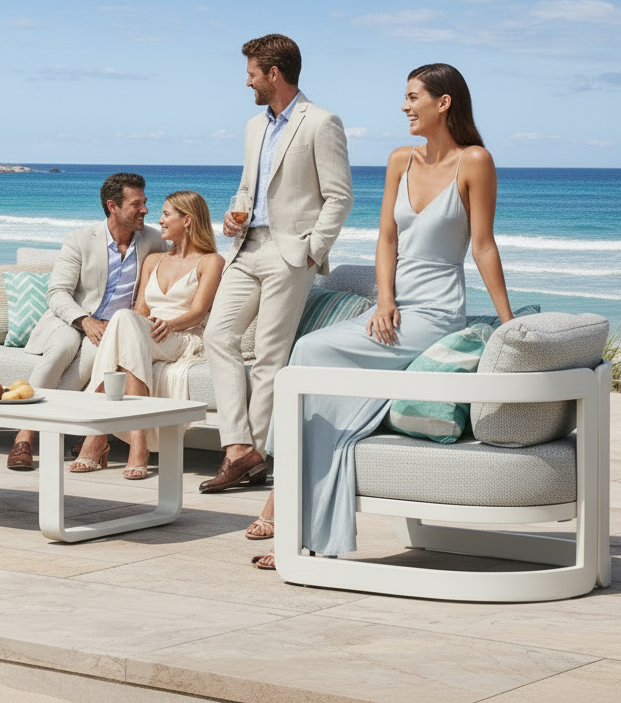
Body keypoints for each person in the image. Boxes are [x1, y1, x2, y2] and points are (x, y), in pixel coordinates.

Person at [250, 63, 513, 570]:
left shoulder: (475, 161)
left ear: (444, 103)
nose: (404, 106)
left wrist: (507, 324)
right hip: (391, 311)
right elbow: (387, 239)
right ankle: (292, 511)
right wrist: (385, 299)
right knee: (310, 367)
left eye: (413, 97)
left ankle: (280, 508)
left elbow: (482, 247)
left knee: (307, 353)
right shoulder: (400, 160)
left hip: (435, 314)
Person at [201, 34, 353, 493]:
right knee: (217, 334)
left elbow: (339, 196)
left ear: (273, 73)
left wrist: (312, 249)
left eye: (251, 73)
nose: (245, 81)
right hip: (247, 247)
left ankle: (251, 452)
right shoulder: (253, 126)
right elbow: (250, 187)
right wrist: (234, 211)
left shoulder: (321, 122)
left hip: (291, 253)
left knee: (270, 352)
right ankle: (239, 446)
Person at [5, 173, 167, 471]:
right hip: (68, 320)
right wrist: (84, 320)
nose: (145, 210)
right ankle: (24, 435)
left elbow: (170, 275)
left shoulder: (153, 240)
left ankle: (52, 430)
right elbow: (57, 293)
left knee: (89, 364)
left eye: (145, 202)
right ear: (113, 206)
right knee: (61, 350)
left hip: (112, 330)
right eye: (137, 204)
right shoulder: (80, 240)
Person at [73, 191, 224, 479]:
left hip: (184, 337)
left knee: (124, 325)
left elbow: (199, 313)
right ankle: (137, 444)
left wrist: (171, 324)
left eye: (167, 214)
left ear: (188, 220)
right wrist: (141, 327)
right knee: (126, 323)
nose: (160, 220)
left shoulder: (211, 261)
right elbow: (140, 308)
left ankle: (98, 436)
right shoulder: (154, 260)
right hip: (148, 334)